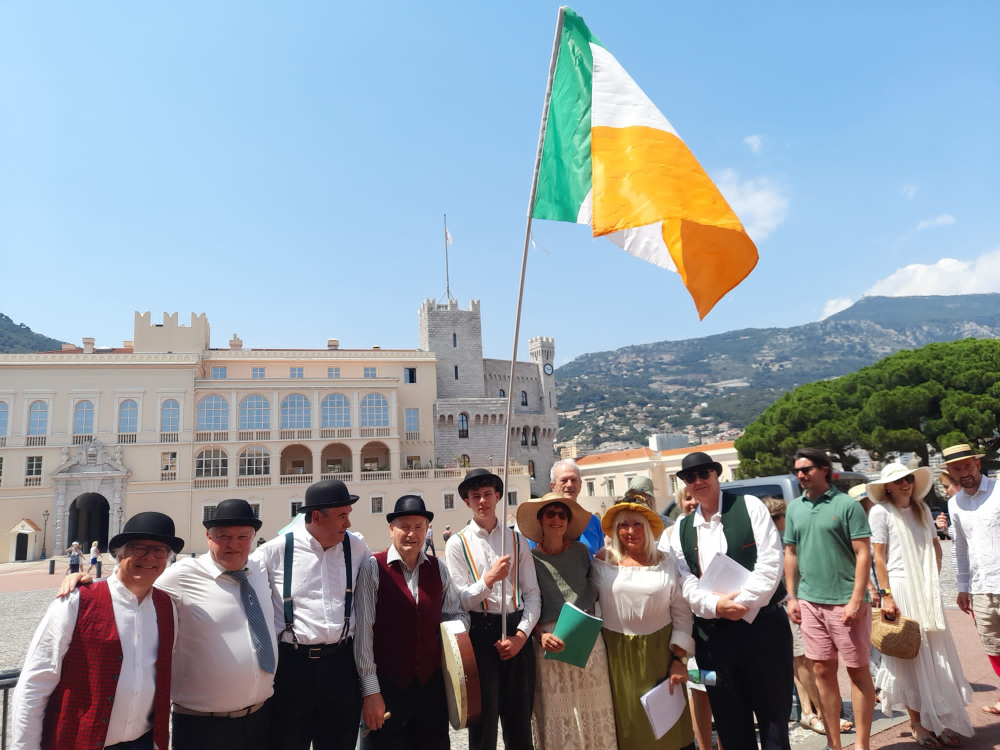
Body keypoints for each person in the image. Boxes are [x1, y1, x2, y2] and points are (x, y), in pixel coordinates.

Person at [59, 499, 280, 750]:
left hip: (262, 716)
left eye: (242, 536)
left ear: (253, 538)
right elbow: (136, 578)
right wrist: (86, 582)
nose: (233, 544)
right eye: (224, 536)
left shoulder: (260, 569)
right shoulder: (183, 574)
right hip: (203, 726)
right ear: (208, 536)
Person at [12, 512, 182, 750]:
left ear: (168, 558)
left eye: (160, 550)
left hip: (144, 742)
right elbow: (36, 681)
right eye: (139, 548)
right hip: (77, 742)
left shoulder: (167, 606)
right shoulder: (76, 600)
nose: (150, 557)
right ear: (119, 554)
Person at [669, 451, 792, 750]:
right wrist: (717, 607)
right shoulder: (681, 531)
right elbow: (686, 581)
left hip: (765, 630)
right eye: (689, 477)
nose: (697, 481)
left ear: (716, 475)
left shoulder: (750, 507)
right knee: (728, 721)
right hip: (714, 642)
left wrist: (744, 604)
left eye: (703, 474)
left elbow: (771, 563)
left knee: (774, 720)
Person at [255, 479, 373, 750]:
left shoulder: (355, 548)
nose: (348, 524)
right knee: (287, 742)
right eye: (342, 516)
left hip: (341, 665)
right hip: (292, 668)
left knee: (339, 743)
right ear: (317, 517)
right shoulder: (273, 552)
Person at [867, 463, 973, 746]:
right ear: (887, 486)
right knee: (909, 653)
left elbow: (934, 545)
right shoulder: (880, 512)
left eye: (909, 478)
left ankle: (939, 719)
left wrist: (932, 575)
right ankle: (917, 723)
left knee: (935, 653)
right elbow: (879, 557)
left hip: (925, 587)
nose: (906, 484)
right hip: (900, 586)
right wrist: (886, 593)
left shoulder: (922, 509)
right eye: (899, 480)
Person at [354, 495, 469, 749]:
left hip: (431, 690)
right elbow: (364, 634)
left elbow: (457, 614)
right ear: (391, 528)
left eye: (419, 526)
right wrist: (371, 691)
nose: (411, 534)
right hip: (387, 688)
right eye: (404, 526)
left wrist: (454, 645)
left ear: (427, 530)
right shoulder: (374, 568)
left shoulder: (439, 569)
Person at [785, 448, 876, 750]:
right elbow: (791, 553)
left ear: (824, 469)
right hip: (810, 602)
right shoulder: (795, 508)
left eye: (806, 469)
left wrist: (856, 599)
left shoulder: (848, 505)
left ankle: (862, 744)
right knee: (821, 671)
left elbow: (864, 552)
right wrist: (792, 596)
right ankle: (834, 745)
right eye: (797, 470)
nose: (800, 475)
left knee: (857, 671)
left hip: (845, 602)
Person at [444, 468, 541, 750]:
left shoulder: (516, 540)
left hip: (516, 630)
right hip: (480, 634)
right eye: (475, 496)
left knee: (519, 721)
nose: (482, 501)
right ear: (467, 502)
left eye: (488, 494)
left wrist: (521, 636)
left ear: (498, 496)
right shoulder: (456, 544)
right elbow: (461, 600)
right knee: (483, 724)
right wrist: (488, 581)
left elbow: (532, 594)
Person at [515, 492, 617, 750]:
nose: (557, 518)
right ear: (540, 520)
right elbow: (528, 601)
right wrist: (539, 635)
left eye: (562, 514)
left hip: (587, 639)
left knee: (594, 707)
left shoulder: (582, 551)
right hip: (549, 639)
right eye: (551, 513)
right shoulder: (530, 558)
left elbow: (594, 588)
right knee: (556, 713)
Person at [594, 495, 695, 750]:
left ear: (649, 527)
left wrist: (679, 660)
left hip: (660, 655)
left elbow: (682, 614)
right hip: (615, 658)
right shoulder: (603, 559)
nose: (630, 531)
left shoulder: (667, 562)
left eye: (637, 524)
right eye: (623, 525)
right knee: (627, 730)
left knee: (664, 728)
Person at [939, 443, 1000, 717]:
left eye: (967, 465)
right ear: (950, 472)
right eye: (956, 468)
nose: (963, 472)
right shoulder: (954, 503)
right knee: (993, 645)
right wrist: (963, 587)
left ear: (977, 463)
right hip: (980, 587)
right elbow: (959, 547)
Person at [663, 484, 720, 750]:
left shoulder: (717, 528)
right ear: (679, 503)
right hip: (690, 628)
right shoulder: (671, 534)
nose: (692, 502)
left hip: (718, 625)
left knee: (721, 688)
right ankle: (705, 746)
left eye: (696, 497)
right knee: (700, 690)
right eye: (687, 498)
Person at [550, 458, 605, 556]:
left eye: (574, 480)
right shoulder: (543, 522)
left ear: (580, 484)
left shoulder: (593, 521)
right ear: (552, 486)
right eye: (564, 480)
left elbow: (601, 562)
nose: (570, 484)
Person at [934, 469, 960, 539]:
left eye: (946, 486)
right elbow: (957, 537)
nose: (944, 491)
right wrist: (945, 529)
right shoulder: (952, 503)